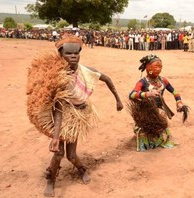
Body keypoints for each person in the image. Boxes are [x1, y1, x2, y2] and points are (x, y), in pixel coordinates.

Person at [26, 35, 124, 197]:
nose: (73, 57)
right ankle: (51, 179)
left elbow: (107, 79)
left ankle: (82, 169)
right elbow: (58, 109)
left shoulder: (86, 71)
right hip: (65, 116)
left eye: (76, 54)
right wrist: (55, 137)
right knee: (58, 153)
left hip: (80, 114)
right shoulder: (58, 78)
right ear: (61, 55)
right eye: (68, 54)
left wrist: (118, 100)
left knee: (71, 155)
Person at [128, 54, 189, 151]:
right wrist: (147, 94)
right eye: (155, 66)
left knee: (162, 117)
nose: (158, 69)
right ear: (148, 67)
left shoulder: (163, 80)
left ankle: (160, 139)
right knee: (154, 120)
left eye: (160, 67)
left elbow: (174, 91)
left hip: (159, 110)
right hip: (146, 110)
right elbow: (131, 94)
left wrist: (179, 102)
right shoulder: (143, 82)